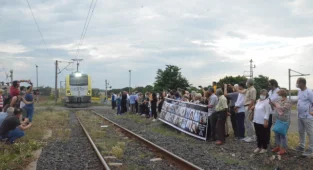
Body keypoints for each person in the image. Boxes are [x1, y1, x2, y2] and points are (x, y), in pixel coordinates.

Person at [294, 77, 313, 157]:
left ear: (302, 83)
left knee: (310, 132)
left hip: (307, 116)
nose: (297, 84)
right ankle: (301, 146)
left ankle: (311, 148)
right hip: (300, 115)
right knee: (301, 131)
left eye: (297, 82)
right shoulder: (299, 91)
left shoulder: (309, 92)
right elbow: (300, 101)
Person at [270, 89, 292, 155]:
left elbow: (283, 109)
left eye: (279, 92)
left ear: (282, 93)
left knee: (282, 135)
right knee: (277, 134)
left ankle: (283, 149)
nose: (277, 93)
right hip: (277, 119)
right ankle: (278, 146)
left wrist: (275, 104)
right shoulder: (278, 100)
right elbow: (275, 107)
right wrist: (272, 104)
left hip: (284, 121)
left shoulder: (288, 101)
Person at [252, 89, 271, 154]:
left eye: (264, 94)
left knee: (263, 135)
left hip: (263, 121)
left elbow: (267, 112)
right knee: (258, 134)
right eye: (261, 94)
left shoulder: (266, 102)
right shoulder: (258, 101)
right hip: (256, 120)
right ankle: (259, 146)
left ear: (266, 95)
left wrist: (266, 121)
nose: (262, 95)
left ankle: (264, 148)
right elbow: (256, 109)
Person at [238, 79, 257, 143]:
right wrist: (234, 88)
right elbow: (241, 91)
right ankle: (249, 135)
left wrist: (249, 108)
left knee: (249, 122)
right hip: (246, 106)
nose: (246, 83)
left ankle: (252, 136)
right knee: (246, 122)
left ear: (249, 83)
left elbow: (253, 100)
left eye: (246, 82)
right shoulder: (248, 89)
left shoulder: (253, 89)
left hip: (249, 106)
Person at [268, 79, 280, 144]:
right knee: (268, 127)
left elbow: (271, 100)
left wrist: (270, 102)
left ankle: (277, 143)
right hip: (269, 112)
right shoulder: (270, 92)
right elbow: (268, 100)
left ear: (274, 85)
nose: (268, 86)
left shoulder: (278, 91)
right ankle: (268, 140)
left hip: (276, 112)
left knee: (276, 127)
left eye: (270, 85)